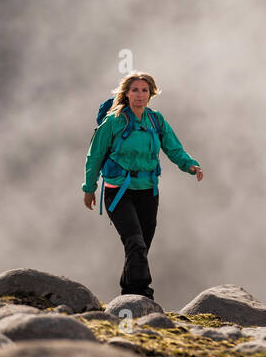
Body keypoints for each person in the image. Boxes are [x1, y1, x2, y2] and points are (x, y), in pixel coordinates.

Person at [82, 72, 202, 300]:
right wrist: (89, 188)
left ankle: (128, 295)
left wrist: (190, 165)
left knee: (141, 247)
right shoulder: (114, 121)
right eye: (134, 90)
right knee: (135, 243)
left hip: (148, 190)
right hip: (118, 191)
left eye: (144, 90)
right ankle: (141, 295)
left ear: (151, 94)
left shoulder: (156, 120)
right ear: (126, 94)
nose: (139, 94)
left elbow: (173, 147)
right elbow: (94, 155)